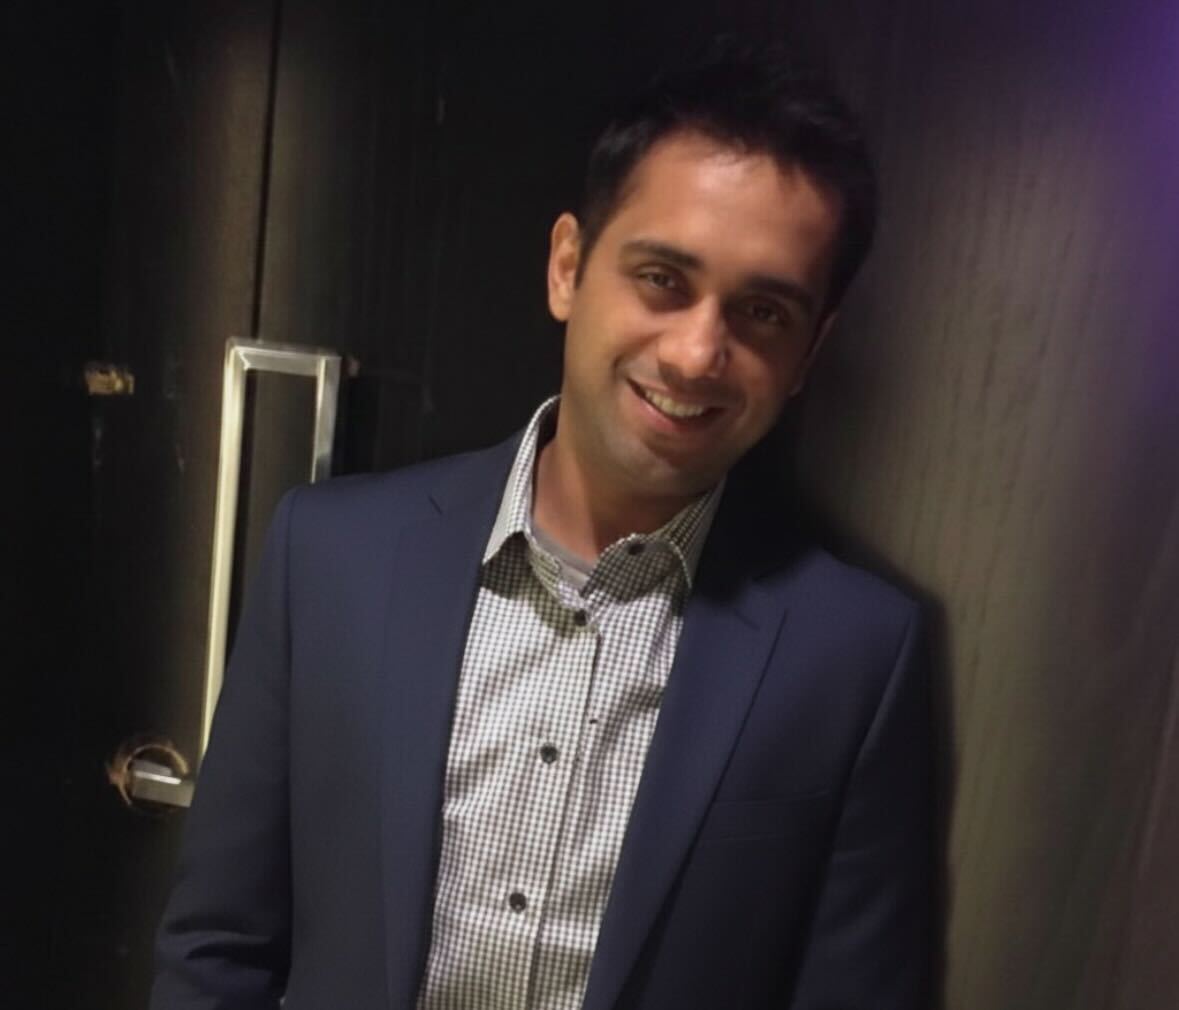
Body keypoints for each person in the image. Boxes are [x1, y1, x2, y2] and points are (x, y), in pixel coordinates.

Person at [151, 38, 931, 1010]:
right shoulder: (333, 558)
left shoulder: (855, 656)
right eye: (662, 278)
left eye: (763, 312)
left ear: (809, 351)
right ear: (569, 267)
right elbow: (219, 945)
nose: (697, 354)